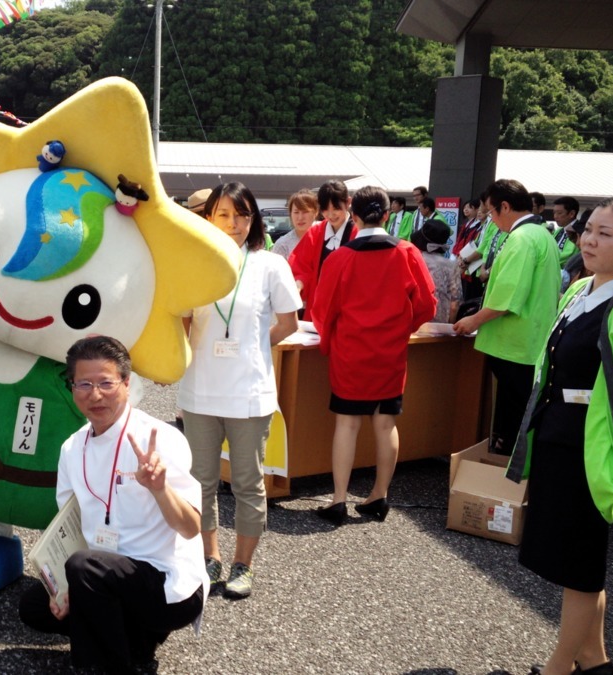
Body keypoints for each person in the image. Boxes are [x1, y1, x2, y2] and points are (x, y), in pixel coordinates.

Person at [507, 195, 613, 675]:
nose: (589, 240)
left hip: (591, 451)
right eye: (588, 229)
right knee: (575, 561)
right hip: (560, 440)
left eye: (606, 234)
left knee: (578, 568)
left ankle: (561, 667)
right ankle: (595, 662)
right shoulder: (581, 290)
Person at [18, 336, 205, 671]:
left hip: (164, 584)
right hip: (106, 575)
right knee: (34, 606)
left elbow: (190, 528)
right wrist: (62, 589)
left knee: (85, 570)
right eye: (84, 383)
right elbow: (70, 528)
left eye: (106, 382)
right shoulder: (72, 448)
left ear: (127, 383)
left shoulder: (159, 438)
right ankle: (135, 639)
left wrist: (160, 488)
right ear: (72, 387)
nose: (95, 394)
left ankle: (108, 663)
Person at [178, 182, 300, 599]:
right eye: (225, 214)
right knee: (201, 481)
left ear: (254, 220)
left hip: (250, 394)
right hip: (199, 392)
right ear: (209, 216)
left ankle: (243, 565)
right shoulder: (193, 262)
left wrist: (251, 347)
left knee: (248, 482)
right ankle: (209, 558)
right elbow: (180, 322)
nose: (234, 224)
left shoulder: (269, 265)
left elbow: (288, 323)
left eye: (242, 215)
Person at [308, 186, 436, 525]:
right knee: (385, 423)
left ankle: (338, 500)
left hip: (350, 353)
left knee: (347, 424)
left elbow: (322, 311)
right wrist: (401, 329)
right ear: (388, 214)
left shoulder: (340, 258)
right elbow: (426, 305)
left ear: (354, 214)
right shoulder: (408, 252)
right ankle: (379, 495)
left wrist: (328, 340)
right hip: (390, 354)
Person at [453, 179, 560, 456]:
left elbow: (507, 299)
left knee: (512, 418)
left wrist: (471, 321)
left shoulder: (521, 239)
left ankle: (507, 479)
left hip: (514, 342)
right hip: (528, 339)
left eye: (490, 212)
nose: (490, 219)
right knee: (518, 410)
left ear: (505, 206)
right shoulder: (541, 234)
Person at [288, 180, 359, 312]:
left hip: (349, 307)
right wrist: (298, 284)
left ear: (348, 202)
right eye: (326, 209)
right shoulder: (315, 232)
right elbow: (301, 266)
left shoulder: (358, 233)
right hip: (318, 306)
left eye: (336, 208)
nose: (330, 215)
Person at [412, 218, 461, 323]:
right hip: (440, 324)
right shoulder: (452, 265)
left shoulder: (413, 261)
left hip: (416, 323)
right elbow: (454, 304)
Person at [453, 198, 486, 303]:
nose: (466, 210)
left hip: (474, 264)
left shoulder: (483, 226)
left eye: (470, 208)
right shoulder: (469, 225)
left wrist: (466, 259)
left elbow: (480, 247)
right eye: (465, 207)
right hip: (464, 260)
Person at [271, 190, 317, 261]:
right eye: (296, 212)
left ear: (315, 213)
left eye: (305, 212)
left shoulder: (325, 239)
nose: (300, 217)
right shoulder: (282, 245)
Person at [551, 196, 581, 267]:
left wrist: (546, 260)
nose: (555, 216)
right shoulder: (558, 230)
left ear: (572, 214)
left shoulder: (578, 231)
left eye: (559, 213)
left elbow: (568, 254)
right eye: (554, 213)